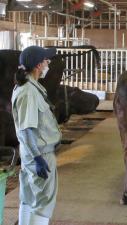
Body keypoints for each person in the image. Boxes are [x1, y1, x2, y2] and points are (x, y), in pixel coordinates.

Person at [11, 46, 61, 225]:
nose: (49, 63)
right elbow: (27, 129)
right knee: (43, 202)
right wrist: (38, 158)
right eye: (47, 60)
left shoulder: (31, 87)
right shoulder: (28, 92)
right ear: (39, 65)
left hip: (32, 153)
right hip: (39, 154)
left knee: (29, 197)